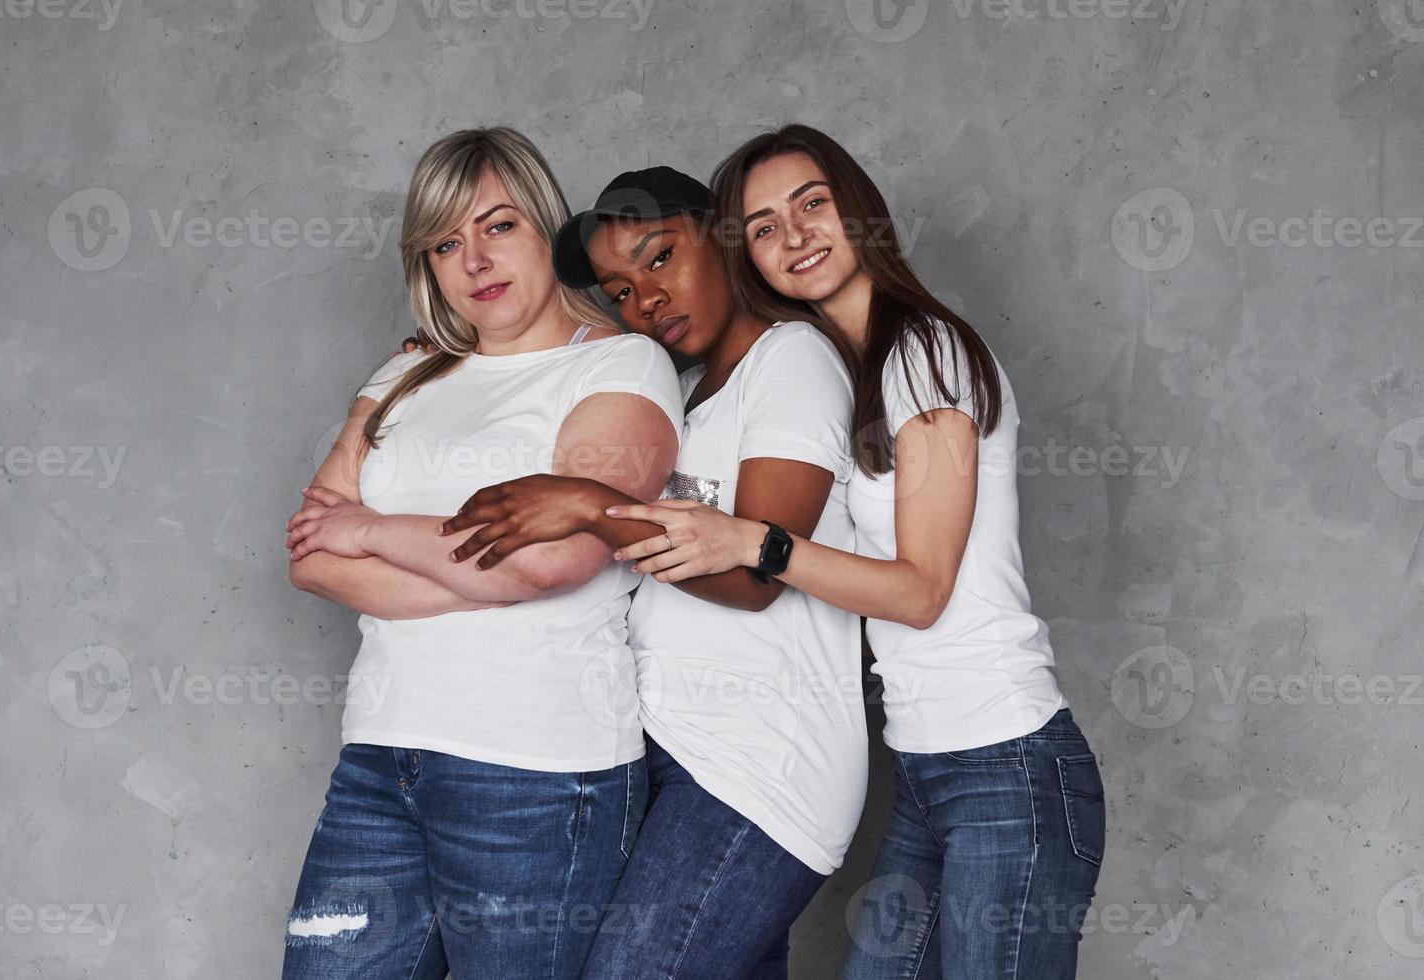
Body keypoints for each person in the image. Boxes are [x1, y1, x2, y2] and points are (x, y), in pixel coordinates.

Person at [606, 125, 1106, 980]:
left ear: (858, 208)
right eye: (762, 227)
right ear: (744, 256)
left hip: (1007, 762)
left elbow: (922, 593)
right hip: (923, 765)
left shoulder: (926, 352)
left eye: (811, 205)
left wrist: (756, 545)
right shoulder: (844, 365)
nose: (793, 237)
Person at [436, 166, 868, 978]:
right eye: (621, 289)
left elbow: (752, 573)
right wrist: (449, 364)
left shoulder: (792, 360)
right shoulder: (688, 393)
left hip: (756, 768)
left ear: (723, 238)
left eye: (660, 258)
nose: (646, 301)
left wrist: (589, 506)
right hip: (671, 756)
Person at [280, 127, 682, 979]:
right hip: (381, 760)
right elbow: (313, 559)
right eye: (445, 242)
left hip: (536, 773)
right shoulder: (403, 378)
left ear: (543, 225)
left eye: (498, 226)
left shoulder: (620, 366)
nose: (474, 260)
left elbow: (554, 562)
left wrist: (376, 531)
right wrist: (480, 575)